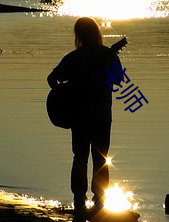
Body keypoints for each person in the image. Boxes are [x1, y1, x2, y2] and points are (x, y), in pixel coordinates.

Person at [47, 17, 124, 216]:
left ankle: (79, 200)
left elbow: (51, 78)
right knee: (101, 159)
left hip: (78, 116)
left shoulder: (74, 57)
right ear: (97, 33)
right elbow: (119, 80)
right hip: (101, 115)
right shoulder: (108, 55)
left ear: (79, 35)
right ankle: (100, 201)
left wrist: (63, 94)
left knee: (79, 157)